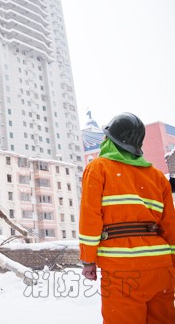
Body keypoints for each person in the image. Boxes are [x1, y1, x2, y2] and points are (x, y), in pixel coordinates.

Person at [78, 112, 175, 323]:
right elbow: (170, 226)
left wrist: (88, 260)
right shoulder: (158, 177)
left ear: (110, 140)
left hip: (124, 270)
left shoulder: (98, 168)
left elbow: (90, 217)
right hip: (162, 269)